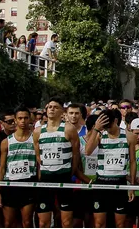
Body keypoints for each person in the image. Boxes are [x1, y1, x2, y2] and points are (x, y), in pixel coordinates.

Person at [34, 97, 81, 228]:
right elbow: (38, 157)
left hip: (64, 177)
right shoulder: (38, 132)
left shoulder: (68, 129)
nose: (52, 109)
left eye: (55, 107)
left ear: (62, 112)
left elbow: (76, 154)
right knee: (43, 222)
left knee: (66, 222)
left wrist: (69, 172)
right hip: (46, 179)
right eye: (50, 107)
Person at [85, 108, 136, 228]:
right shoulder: (100, 135)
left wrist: (132, 187)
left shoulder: (129, 136)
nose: (107, 129)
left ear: (116, 121)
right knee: (99, 223)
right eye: (105, 126)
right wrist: (96, 129)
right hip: (101, 183)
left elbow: (133, 162)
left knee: (120, 223)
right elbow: (87, 151)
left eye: (109, 126)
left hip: (119, 183)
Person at [0, 106, 37, 228]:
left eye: (25, 118)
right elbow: (2, 168)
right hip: (10, 184)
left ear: (30, 119)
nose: (23, 121)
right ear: (15, 120)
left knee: (27, 222)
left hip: (29, 183)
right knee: (8, 222)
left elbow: (39, 164)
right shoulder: (6, 142)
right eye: (20, 118)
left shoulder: (35, 139)